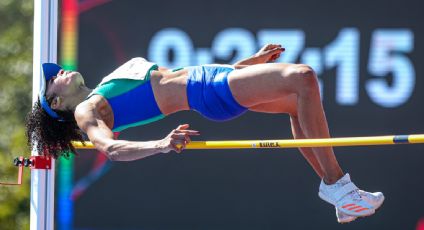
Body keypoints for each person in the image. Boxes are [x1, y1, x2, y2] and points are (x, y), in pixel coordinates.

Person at [26, 44, 383, 223]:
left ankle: (338, 195)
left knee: (296, 101)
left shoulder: (100, 89)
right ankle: (338, 186)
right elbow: (111, 148)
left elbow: (175, 78)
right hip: (206, 90)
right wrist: (161, 144)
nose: (59, 72)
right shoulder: (87, 110)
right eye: (52, 79)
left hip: (210, 82)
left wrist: (247, 65)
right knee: (302, 76)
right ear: (56, 104)